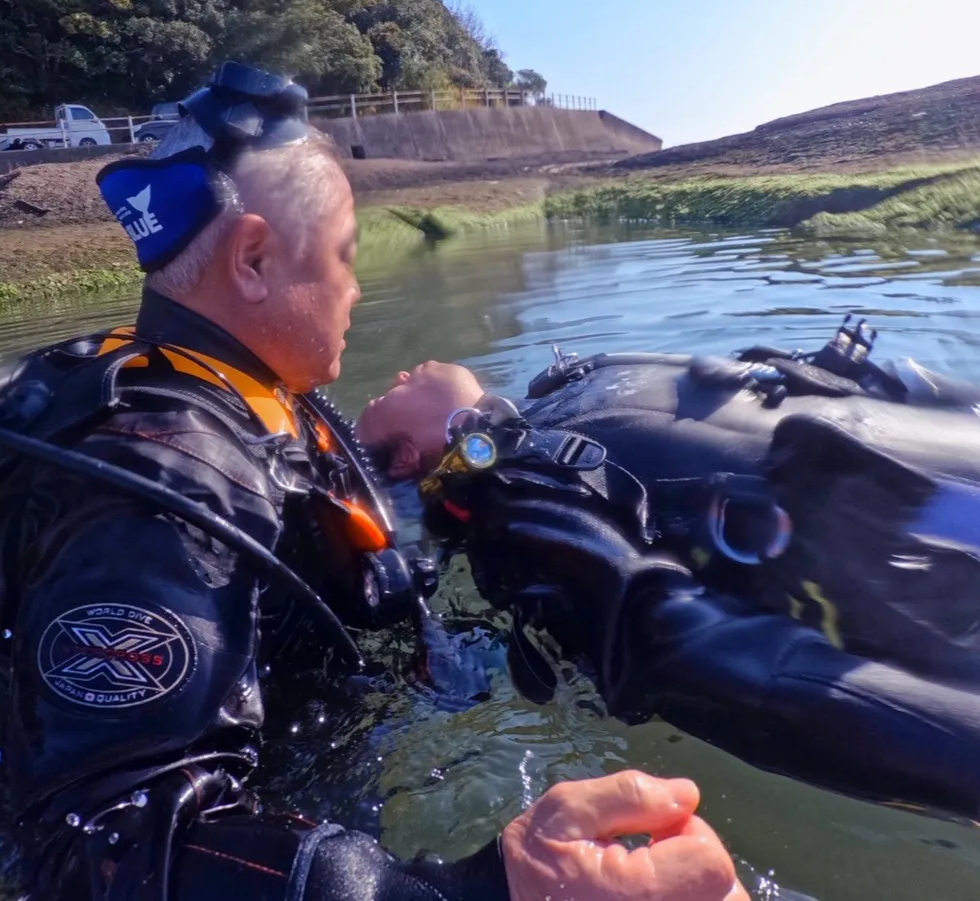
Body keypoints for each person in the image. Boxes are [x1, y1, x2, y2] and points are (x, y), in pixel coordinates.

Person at [0, 63, 749, 901]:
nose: (358, 290)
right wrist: (472, 893)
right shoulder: (154, 470)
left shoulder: (234, 391)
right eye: (345, 255)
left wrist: (462, 447)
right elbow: (111, 852)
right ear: (253, 260)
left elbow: (327, 509)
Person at [355, 341, 980, 821]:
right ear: (410, 455)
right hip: (932, 560)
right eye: (387, 399)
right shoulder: (510, 499)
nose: (400, 374)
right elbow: (684, 647)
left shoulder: (567, 392)